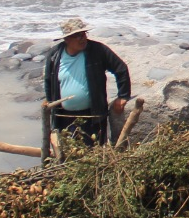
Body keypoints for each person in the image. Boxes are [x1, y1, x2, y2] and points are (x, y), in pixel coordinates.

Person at [42, 17, 131, 145]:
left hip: (92, 115)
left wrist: (122, 96)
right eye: (77, 36)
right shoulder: (55, 55)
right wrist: (50, 103)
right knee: (67, 152)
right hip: (64, 117)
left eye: (83, 34)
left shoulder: (97, 50)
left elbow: (120, 68)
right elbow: (49, 81)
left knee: (94, 150)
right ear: (67, 39)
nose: (82, 38)